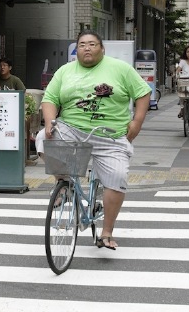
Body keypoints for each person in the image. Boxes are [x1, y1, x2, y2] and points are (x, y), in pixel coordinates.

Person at [41, 29, 151, 250]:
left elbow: (142, 93)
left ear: (102, 48)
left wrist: (137, 122)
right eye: (82, 44)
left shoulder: (119, 68)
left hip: (110, 134)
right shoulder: (65, 71)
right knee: (43, 138)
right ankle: (66, 183)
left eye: (92, 44)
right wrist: (49, 121)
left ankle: (107, 231)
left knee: (117, 177)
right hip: (72, 129)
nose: (87, 48)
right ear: (76, 50)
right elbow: (50, 98)